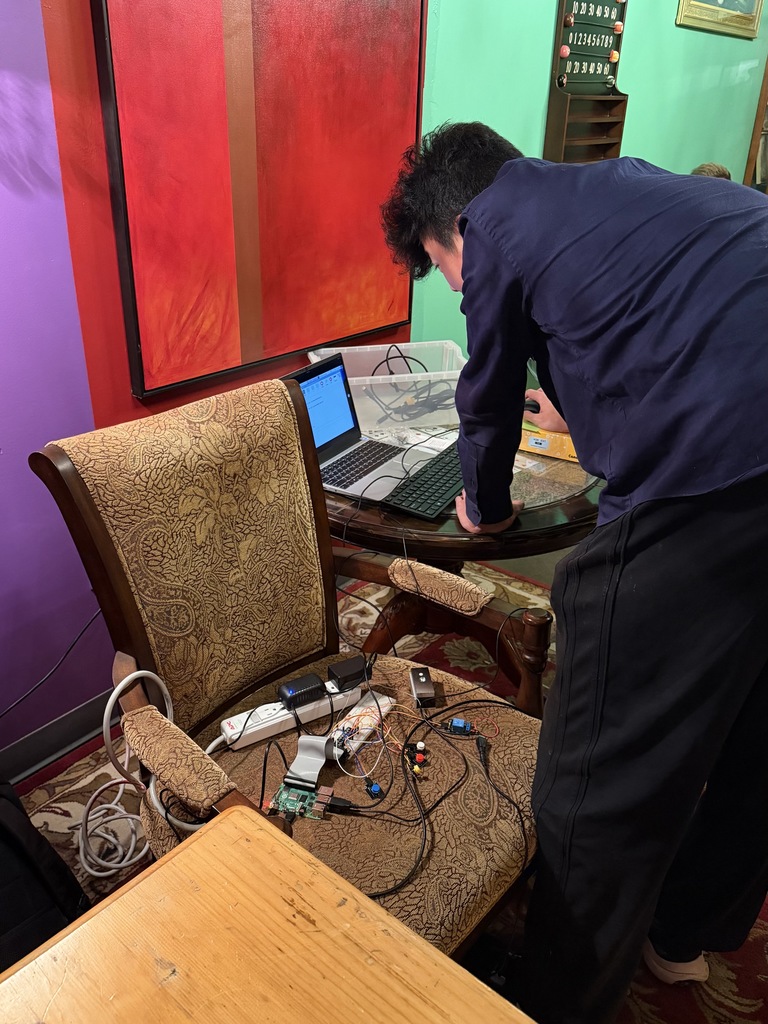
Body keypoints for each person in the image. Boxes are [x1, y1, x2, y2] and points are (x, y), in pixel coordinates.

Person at [380, 122, 768, 1024]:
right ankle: (680, 940)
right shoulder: (621, 184)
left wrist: (486, 506)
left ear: (451, 227)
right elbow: (679, 318)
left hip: (716, 480)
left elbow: (484, 400)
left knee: (600, 776)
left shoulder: (494, 224)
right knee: (753, 731)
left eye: (443, 269)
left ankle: (559, 999)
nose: (458, 283)